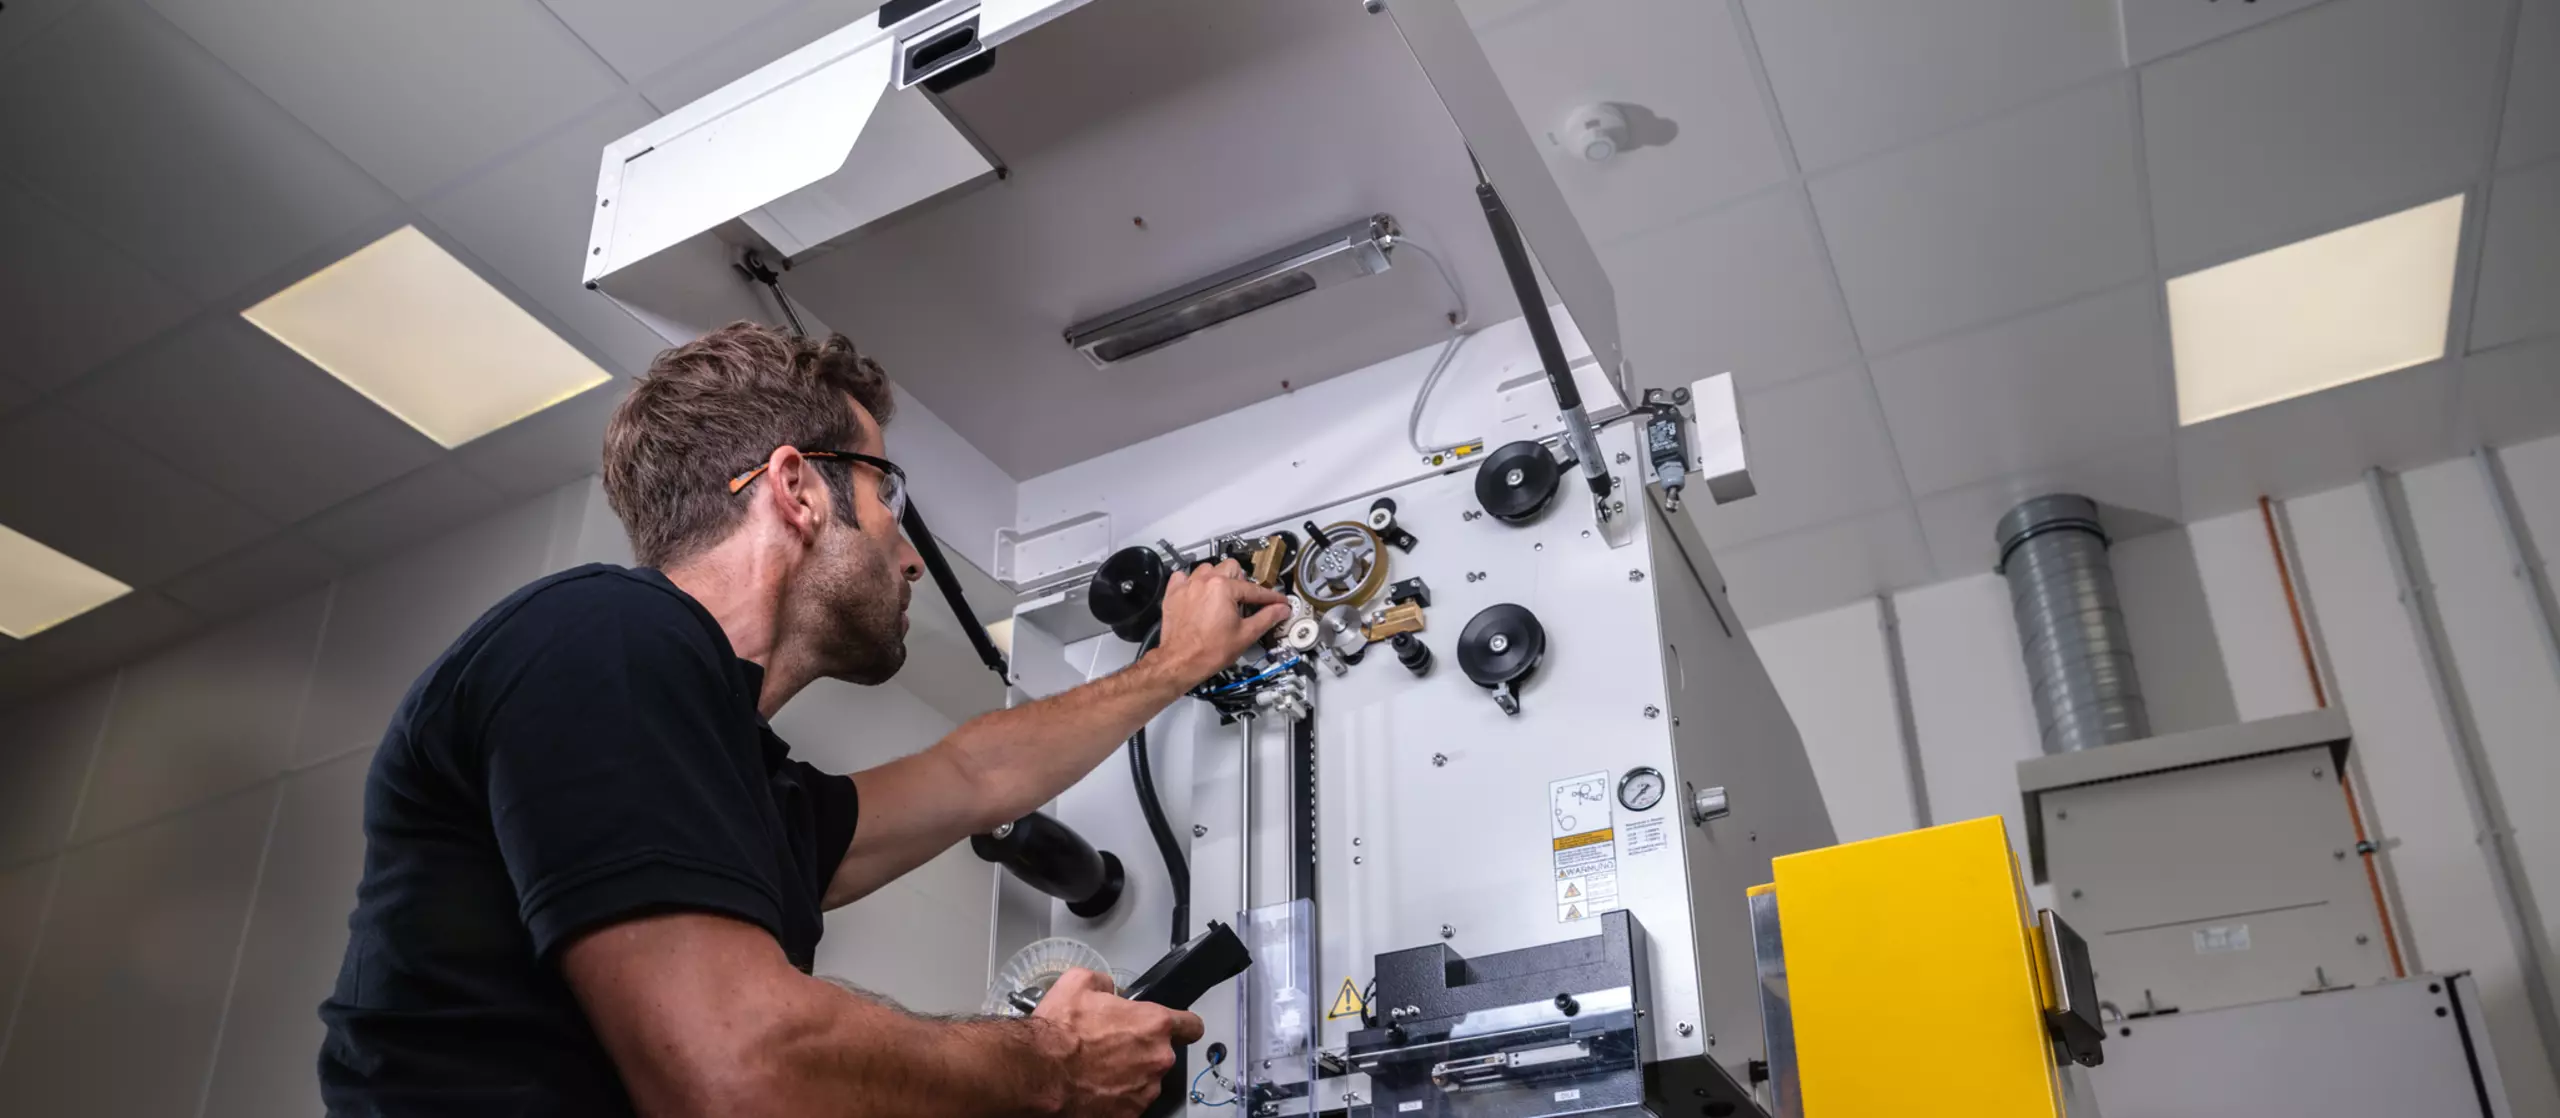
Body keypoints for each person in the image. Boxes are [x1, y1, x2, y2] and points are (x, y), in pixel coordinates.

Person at [317, 321, 1290, 1116]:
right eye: (886, 494)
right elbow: (741, 1064)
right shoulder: (601, 635)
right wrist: (1048, 1060)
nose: (909, 556)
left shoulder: (729, 773)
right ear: (795, 489)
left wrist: (1176, 663)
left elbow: (970, 777)